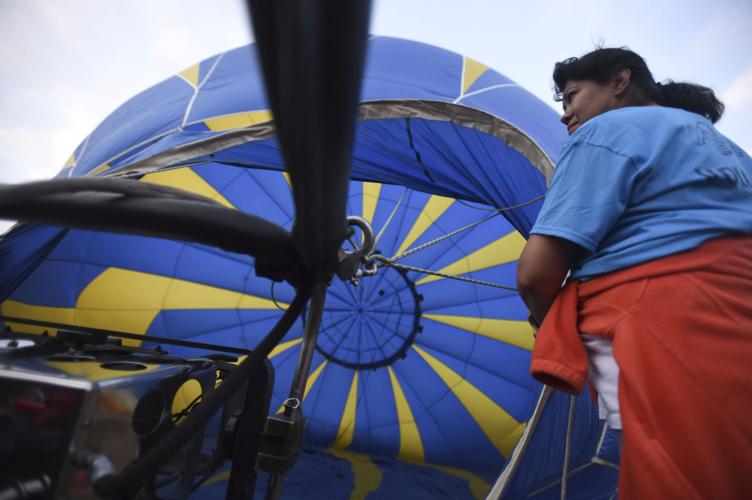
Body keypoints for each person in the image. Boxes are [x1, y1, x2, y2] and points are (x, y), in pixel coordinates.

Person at [516, 47, 752, 499]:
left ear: (620, 82)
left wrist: (549, 323)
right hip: (737, 318)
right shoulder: (723, 145)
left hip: (659, 322)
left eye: (572, 96)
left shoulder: (606, 130)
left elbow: (535, 274)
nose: (566, 116)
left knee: (672, 474)